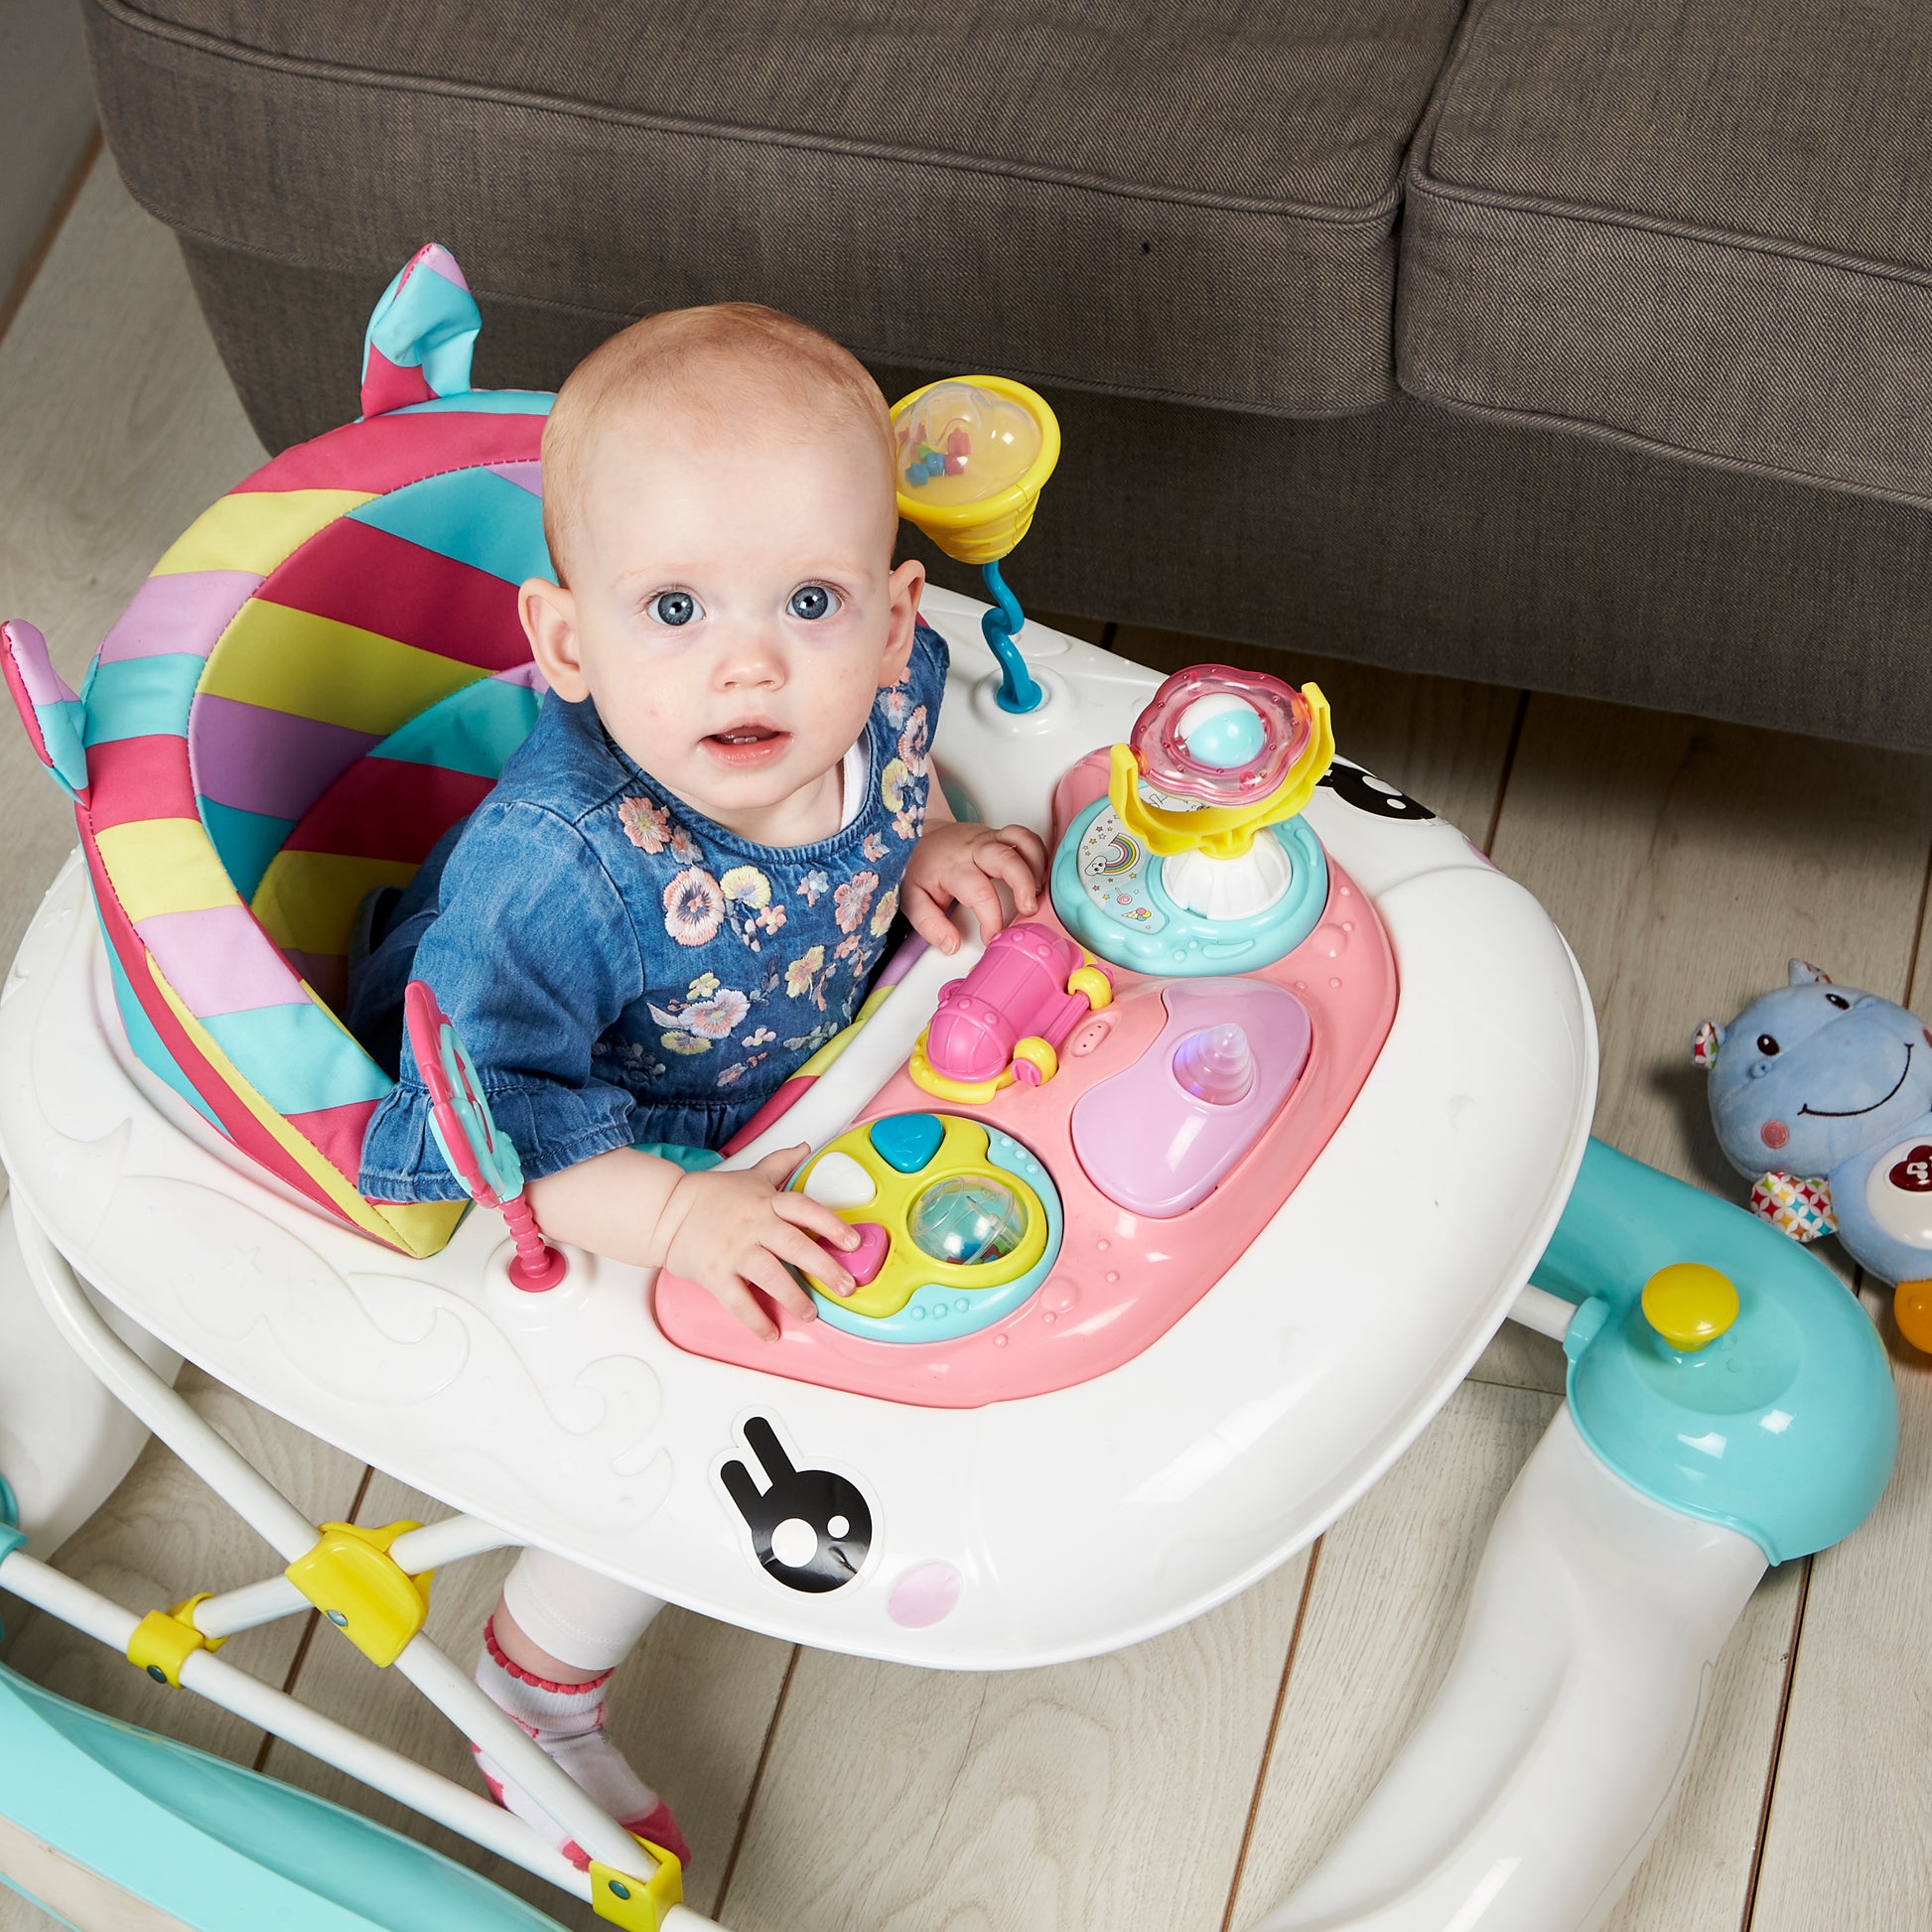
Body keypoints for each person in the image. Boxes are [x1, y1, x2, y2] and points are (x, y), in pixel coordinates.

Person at [345, 303, 1047, 1868]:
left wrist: (917, 851)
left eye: (810, 598)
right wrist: (672, 1214)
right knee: (695, 1401)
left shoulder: (888, 692)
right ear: (564, 642)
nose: (749, 656)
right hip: (576, 1116)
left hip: (785, 1063)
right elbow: (481, 1106)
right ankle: (537, 1680)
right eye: (673, 605)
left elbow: (881, 794)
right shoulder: (560, 867)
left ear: (889, 614)